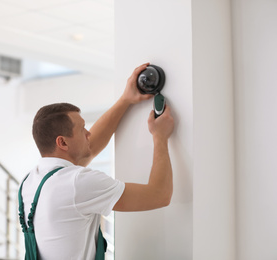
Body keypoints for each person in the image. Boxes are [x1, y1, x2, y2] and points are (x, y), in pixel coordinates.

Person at [19, 63, 174, 259]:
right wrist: (160, 136)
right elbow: (159, 195)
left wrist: (126, 100)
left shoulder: (31, 182)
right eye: (82, 129)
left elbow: (89, 147)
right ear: (63, 142)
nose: (88, 133)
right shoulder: (76, 183)